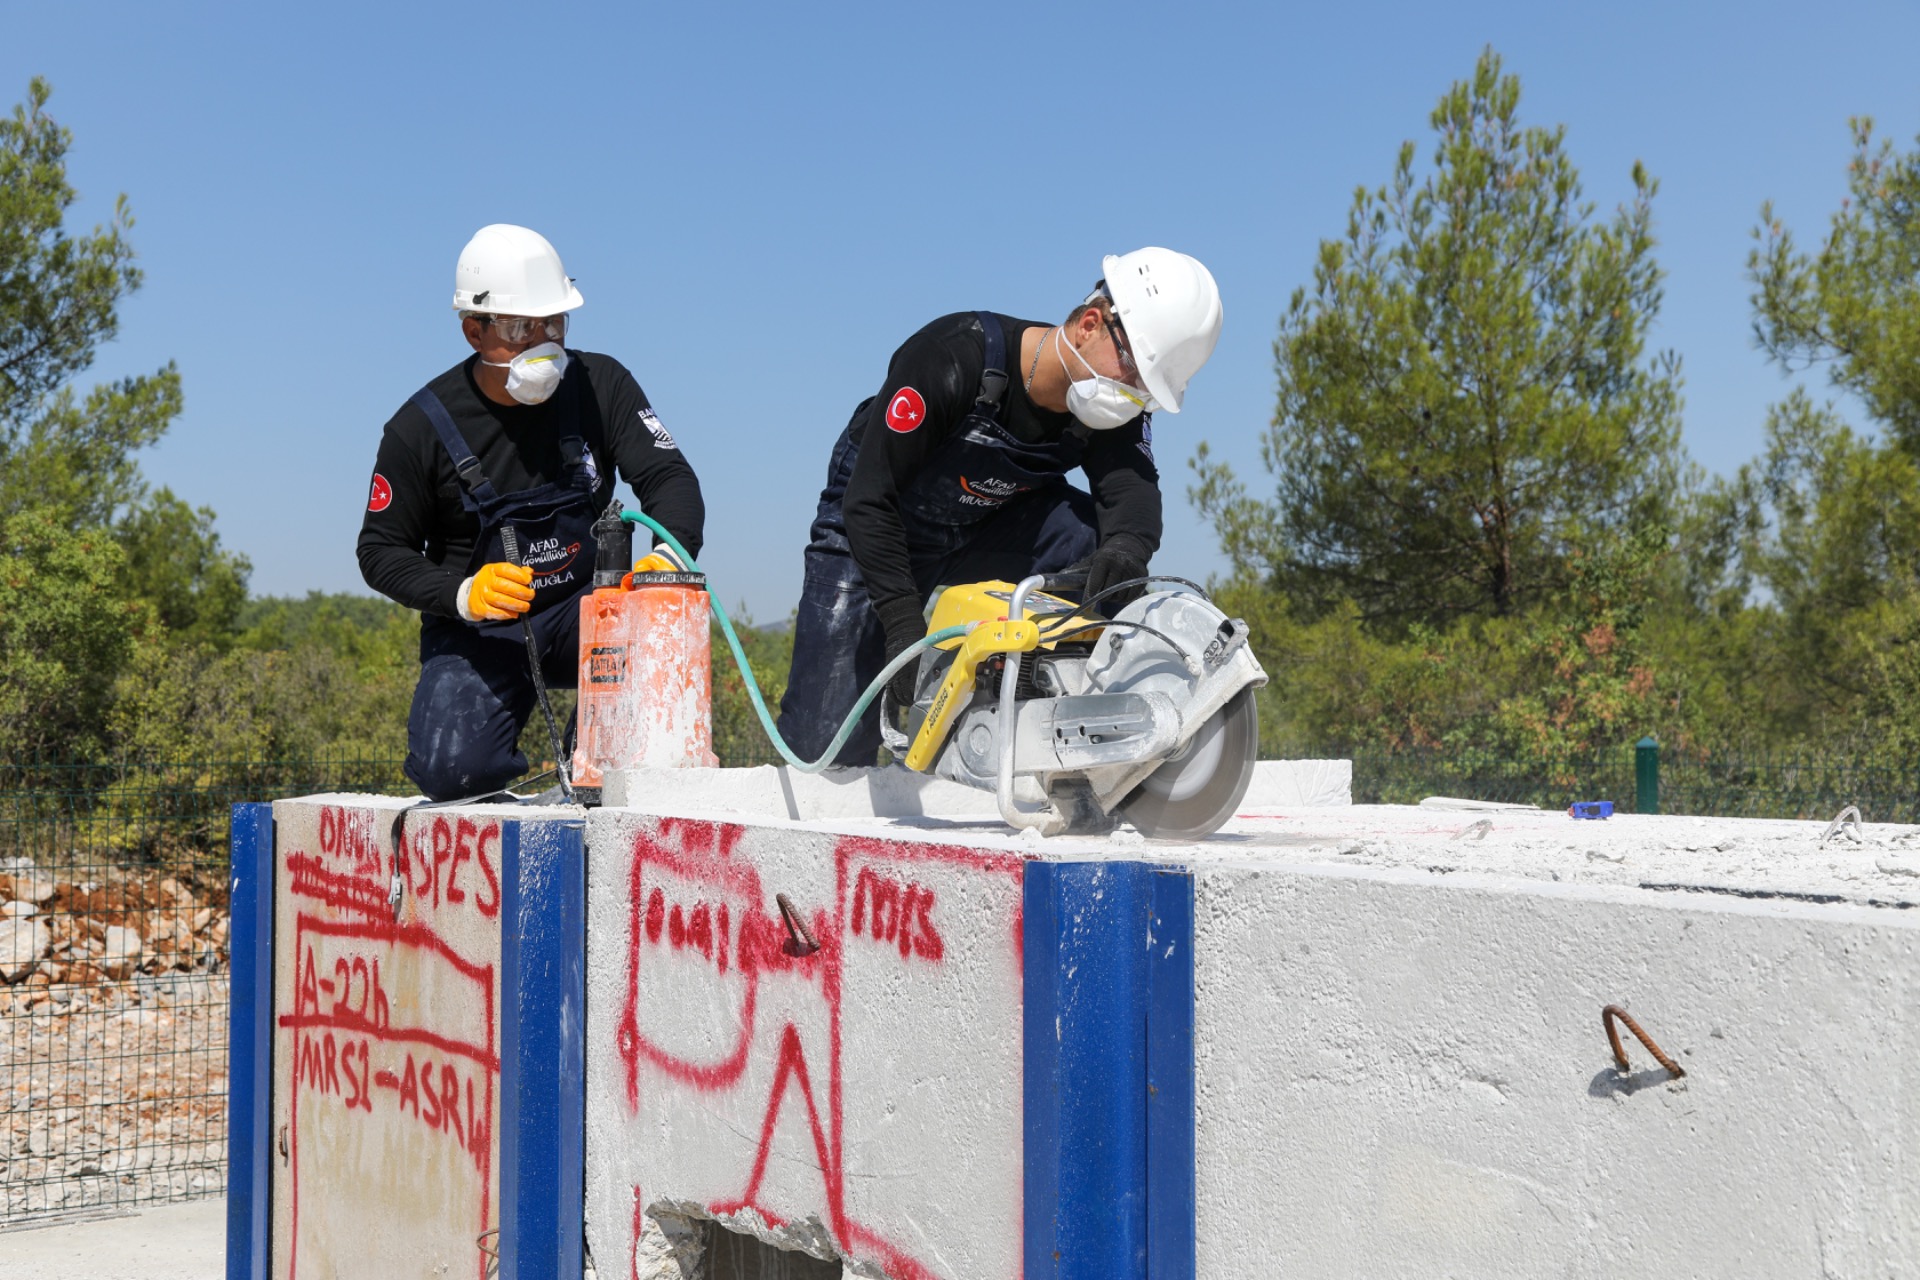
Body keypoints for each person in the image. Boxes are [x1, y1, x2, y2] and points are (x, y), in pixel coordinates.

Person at [775, 247, 1223, 767]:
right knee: (824, 752)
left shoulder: (1109, 409)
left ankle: (1065, 735)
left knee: (1104, 555)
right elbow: (870, 500)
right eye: (1135, 373)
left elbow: (1134, 496)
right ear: (1091, 324)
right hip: (877, 526)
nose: (1134, 396)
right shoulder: (951, 357)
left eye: (1148, 390)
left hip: (985, 524)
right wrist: (900, 621)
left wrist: (1127, 547)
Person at [358, 224, 705, 800]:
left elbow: (670, 478)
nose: (543, 343)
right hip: (483, 632)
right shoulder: (418, 429)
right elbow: (379, 551)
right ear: (474, 330)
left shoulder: (602, 385)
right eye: (521, 328)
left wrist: (667, 557)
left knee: (659, 641)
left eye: (555, 323)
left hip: (586, 615)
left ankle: (592, 773)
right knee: (455, 773)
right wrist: (462, 594)